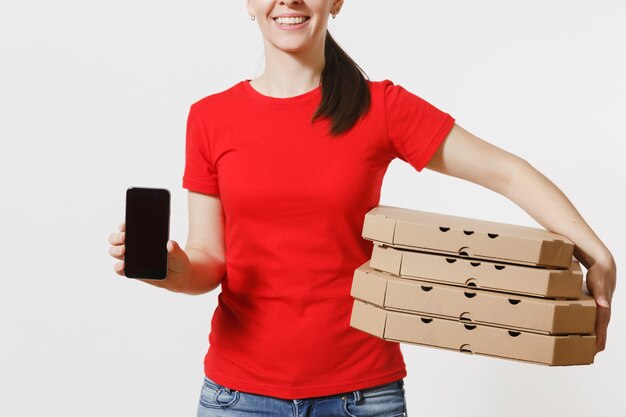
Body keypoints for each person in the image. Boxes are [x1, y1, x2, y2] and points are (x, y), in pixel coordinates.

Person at [108, 1, 617, 416]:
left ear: (336, 2)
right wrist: (170, 270)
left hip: (361, 395)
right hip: (237, 397)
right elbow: (208, 261)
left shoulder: (381, 107)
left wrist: (600, 256)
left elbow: (506, 171)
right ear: (248, 4)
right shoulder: (210, 118)